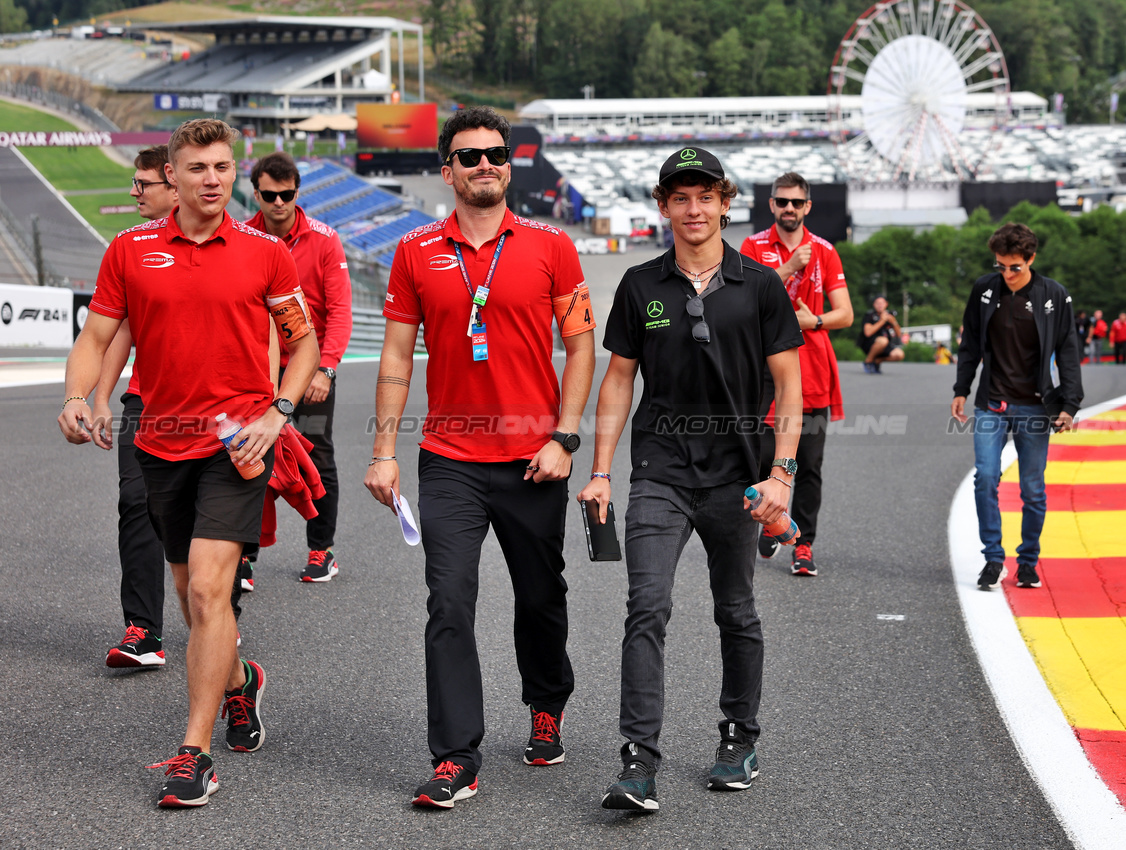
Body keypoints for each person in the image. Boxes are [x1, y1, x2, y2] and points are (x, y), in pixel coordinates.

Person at [58, 118, 319, 807]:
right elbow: (98, 333)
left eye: (222, 167)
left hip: (238, 444)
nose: (212, 179)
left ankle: (193, 752)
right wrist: (78, 395)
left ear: (234, 173)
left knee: (209, 592)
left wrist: (277, 414)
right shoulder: (131, 248)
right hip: (159, 443)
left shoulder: (265, 252)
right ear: (171, 175)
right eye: (197, 167)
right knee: (188, 595)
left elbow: (304, 345)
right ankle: (239, 682)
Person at [364, 106, 596, 809]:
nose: (485, 164)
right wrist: (383, 450)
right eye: (470, 156)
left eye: (496, 153)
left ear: (508, 162)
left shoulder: (552, 246)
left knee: (539, 598)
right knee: (449, 603)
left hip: (534, 458)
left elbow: (581, 345)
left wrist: (564, 438)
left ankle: (546, 702)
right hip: (449, 457)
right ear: (447, 170)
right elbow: (397, 356)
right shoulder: (413, 252)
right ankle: (455, 756)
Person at [578, 146, 803, 813]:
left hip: (739, 475)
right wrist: (599, 473)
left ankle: (738, 736)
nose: (693, 208)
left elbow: (789, 386)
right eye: (680, 197)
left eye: (705, 196)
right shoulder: (639, 285)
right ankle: (637, 760)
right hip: (660, 471)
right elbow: (618, 380)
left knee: (734, 608)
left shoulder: (759, 286)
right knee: (646, 604)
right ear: (663, 206)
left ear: (725, 201)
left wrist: (781, 478)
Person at [82, 145, 179, 669]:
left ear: (171, 181)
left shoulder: (245, 242)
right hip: (147, 402)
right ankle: (144, 631)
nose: (135, 193)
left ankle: (219, 618)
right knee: (137, 506)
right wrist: (98, 396)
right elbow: (117, 329)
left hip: (221, 409)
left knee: (199, 523)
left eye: (143, 184)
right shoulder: (128, 247)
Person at [950, 222, 1083, 592]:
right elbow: (970, 343)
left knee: (1033, 490)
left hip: (1035, 408)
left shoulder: (1053, 295)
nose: (1007, 274)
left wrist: (1070, 403)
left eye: (1015, 267)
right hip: (992, 404)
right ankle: (994, 559)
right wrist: (961, 388)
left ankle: (1027, 562)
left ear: (1031, 259)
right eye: (1000, 266)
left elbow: (1069, 352)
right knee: (986, 478)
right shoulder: (984, 290)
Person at [246, 151, 352, 584]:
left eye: (285, 194)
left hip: (309, 371)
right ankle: (243, 555)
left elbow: (341, 310)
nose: (277, 203)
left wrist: (326, 369)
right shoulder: (240, 236)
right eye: (269, 195)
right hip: (255, 368)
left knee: (317, 457)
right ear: (255, 193)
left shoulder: (325, 240)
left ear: (296, 192)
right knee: (246, 457)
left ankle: (321, 549)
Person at [740, 171, 854, 577]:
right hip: (762, 368)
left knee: (809, 462)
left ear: (807, 207)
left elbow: (845, 313)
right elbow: (740, 304)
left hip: (813, 368)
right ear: (771, 205)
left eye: (797, 202)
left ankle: (804, 545)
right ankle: (772, 518)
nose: (789, 208)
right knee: (762, 456)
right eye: (782, 201)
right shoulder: (751, 247)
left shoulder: (824, 250)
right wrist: (787, 269)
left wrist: (814, 320)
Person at [859, 295, 904, 373]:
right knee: (883, 340)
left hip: (885, 345)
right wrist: (882, 321)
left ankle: (876, 361)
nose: (880, 305)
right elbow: (868, 333)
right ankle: (868, 361)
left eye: (882, 303)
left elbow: (899, 334)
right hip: (870, 344)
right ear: (874, 304)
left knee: (899, 354)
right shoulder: (870, 316)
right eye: (877, 303)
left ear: (886, 304)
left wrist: (894, 322)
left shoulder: (889, 316)